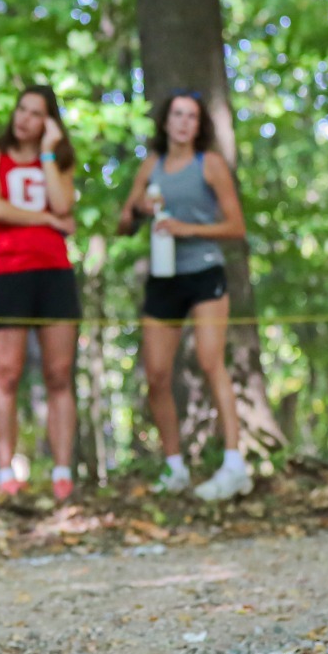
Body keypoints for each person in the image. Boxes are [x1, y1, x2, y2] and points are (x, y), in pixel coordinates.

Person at [119, 91, 256, 502]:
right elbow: (124, 223)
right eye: (177, 114)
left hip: (204, 272)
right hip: (163, 277)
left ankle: (234, 465)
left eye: (191, 116)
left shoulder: (209, 164)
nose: (183, 122)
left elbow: (236, 227)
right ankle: (175, 467)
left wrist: (187, 228)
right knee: (157, 375)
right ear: (165, 121)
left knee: (210, 361)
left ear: (199, 126)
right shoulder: (151, 165)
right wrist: (139, 209)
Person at [0, 85, 79, 501]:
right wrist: (48, 220)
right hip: (8, 272)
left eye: (36, 113)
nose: (24, 118)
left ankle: (62, 473)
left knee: (59, 374)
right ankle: (6, 472)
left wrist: (49, 153)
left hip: (55, 272)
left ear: (48, 122)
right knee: (7, 373)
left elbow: (63, 203)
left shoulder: (59, 159)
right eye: (22, 109)